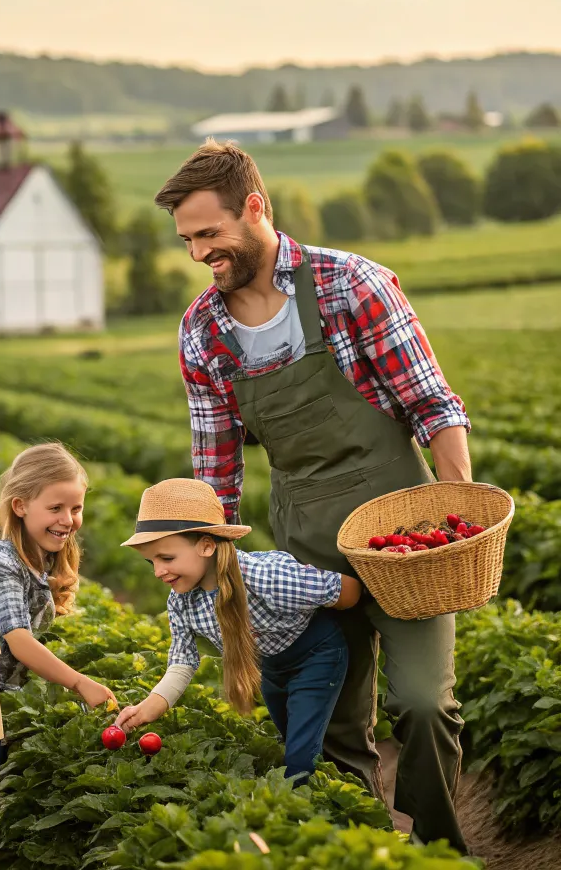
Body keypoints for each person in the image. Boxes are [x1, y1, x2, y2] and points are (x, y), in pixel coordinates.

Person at [153, 141, 472, 852]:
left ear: (256, 208)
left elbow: (433, 406)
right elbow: (217, 466)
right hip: (305, 537)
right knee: (328, 713)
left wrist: (461, 511)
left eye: (210, 233)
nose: (200, 252)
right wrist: (214, 563)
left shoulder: (349, 285)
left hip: (403, 531)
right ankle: (360, 845)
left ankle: (440, 850)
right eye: (188, 240)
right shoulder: (203, 330)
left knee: (423, 705)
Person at [0, 442, 117, 861]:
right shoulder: (3, 558)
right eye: (55, 508)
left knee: (1, 779)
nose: (68, 520)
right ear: (20, 505)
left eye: (75, 508)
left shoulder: (46, 560)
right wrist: (78, 681)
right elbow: (18, 639)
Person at [115, 478, 361, 783]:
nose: (158, 571)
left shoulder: (266, 578)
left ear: (206, 545)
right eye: (151, 561)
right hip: (270, 667)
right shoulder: (181, 601)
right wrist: (147, 708)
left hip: (316, 655)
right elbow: (183, 661)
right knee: (290, 738)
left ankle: (302, 815)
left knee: (300, 756)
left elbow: (345, 591)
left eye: (167, 558)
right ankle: (312, 798)